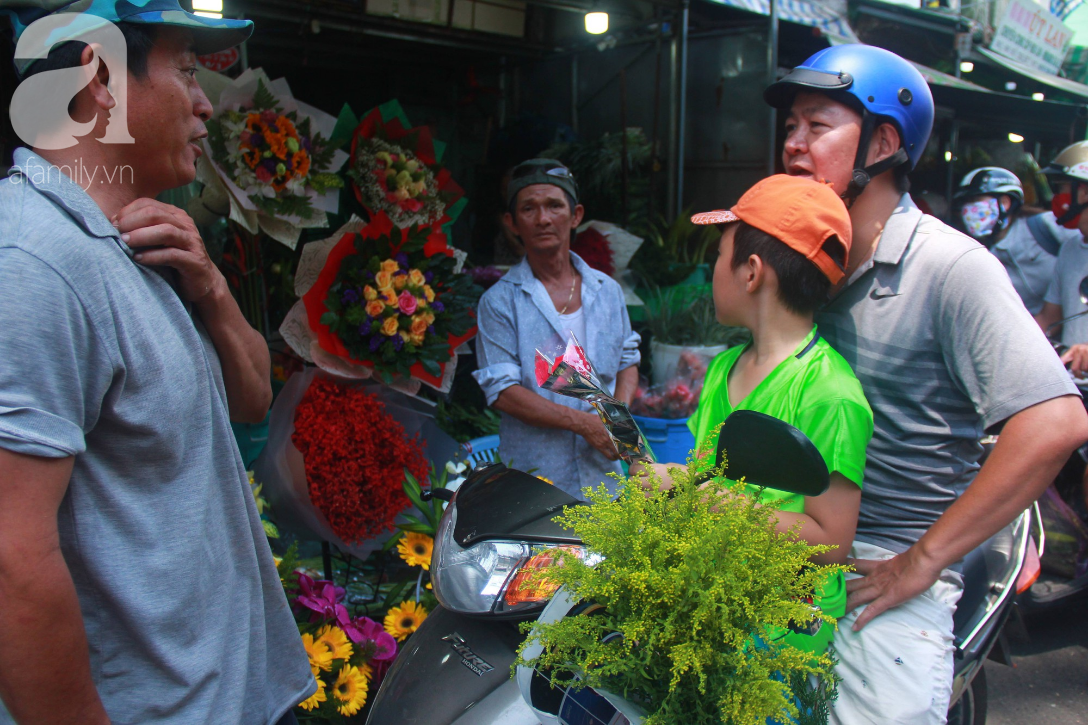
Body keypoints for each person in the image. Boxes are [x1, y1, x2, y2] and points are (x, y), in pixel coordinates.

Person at [0, 3, 314, 724]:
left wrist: (210, 285)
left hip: (238, 697)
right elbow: (11, 561)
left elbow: (253, 401)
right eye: (187, 68)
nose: (207, 103)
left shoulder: (132, 242)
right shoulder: (32, 261)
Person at [763, 44, 1088, 724]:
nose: (793, 145)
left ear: (884, 142)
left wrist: (922, 559)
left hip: (878, 563)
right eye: (789, 126)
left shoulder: (949, 266)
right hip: (787, 534)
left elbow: (1056, 421)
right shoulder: (801, 258)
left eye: (816, 126)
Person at [640, 174, 874, 654]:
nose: (712, 272)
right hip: (713, 594)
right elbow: (713, 475)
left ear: (751, 272)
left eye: (717, 259)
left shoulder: (829, 392)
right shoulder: (725, 367)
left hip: (782, 629)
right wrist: (673, 481)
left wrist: (694, 498)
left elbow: (830, 540)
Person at [473, 158, 640, 499]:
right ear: (512, 223)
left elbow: (627, 361)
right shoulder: (500, 302)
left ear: (575, 215)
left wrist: (615, 424)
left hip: (603, 479)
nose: (543, 219)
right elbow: (502, 391)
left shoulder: (606, 291)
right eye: (529, 209)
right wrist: (582, 424)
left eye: (554, 206)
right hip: (534, 482)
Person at [952, 166, 1081, 315]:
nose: (968, 209)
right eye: (965, 202)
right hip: (1037, 332)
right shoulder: (979, 253)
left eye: (975, 200)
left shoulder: (1045, 227)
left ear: (1005, 202)